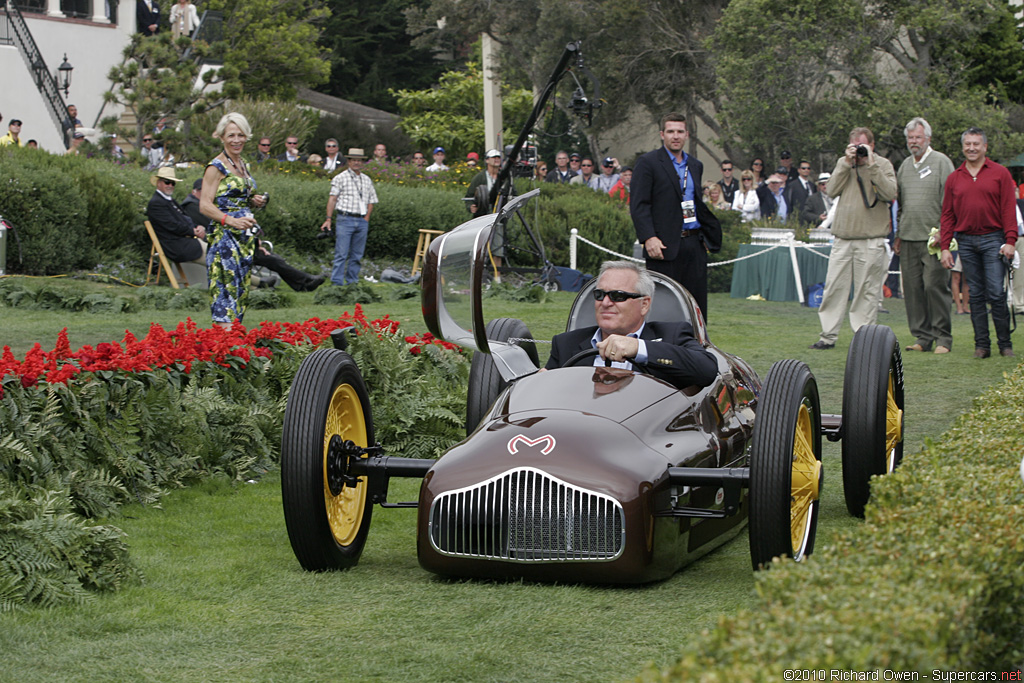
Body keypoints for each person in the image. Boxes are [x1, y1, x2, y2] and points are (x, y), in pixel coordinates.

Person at [543, 261, 717, 390]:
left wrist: (639, 348)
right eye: (599, 294)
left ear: (644, 305)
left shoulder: (672, 335)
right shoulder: (566, 343)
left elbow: (707, 370)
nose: (605, 303)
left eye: (617, 296)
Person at [809, 127, 897, 350]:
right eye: (854, 145)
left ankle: (863, 338)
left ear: (872, 145)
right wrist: (845, 163)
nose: (858, 150)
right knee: (833, 288)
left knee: (866, 291)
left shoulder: (882, 165)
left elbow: (889, 193)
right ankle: (827, 335)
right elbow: (831, 190)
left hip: (871, 238)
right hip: (843, 238)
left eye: (862, 145)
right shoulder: (844, 163)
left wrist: (870, 164)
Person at [630, 112, 723, 320]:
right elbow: (639, 204)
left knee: (695, 306)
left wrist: (707, 236)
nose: (675, 136)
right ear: (662, 134)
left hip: (693, 244)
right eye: (670, 131)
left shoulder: (695, 165)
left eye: (680, 131)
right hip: (662, 247)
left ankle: (696, 348)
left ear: (687, 135)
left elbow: (695, 203)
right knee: (663, 306)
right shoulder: (648, 162)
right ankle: (660, 348)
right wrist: (648, 237)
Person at [939, 127, 1018, 358]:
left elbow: (1008, 210)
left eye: (976, 144)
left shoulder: (1000, 173)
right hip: (965, 241)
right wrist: (945, 246)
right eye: (968, 144)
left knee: (995, 292)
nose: (971, 148)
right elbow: (947, 215)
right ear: (963, 147)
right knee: (975, 294)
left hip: (993, 238)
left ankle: (1005, 345)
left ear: (985, 147)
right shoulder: (954, 178)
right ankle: (982, 346)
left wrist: (1010, 240)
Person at [185, 179, 324, 292]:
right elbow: (222, 226)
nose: (209, 194)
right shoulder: (194, 206)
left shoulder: (204, 206)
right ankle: (303, 281)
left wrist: (253, 240)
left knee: (271, 258)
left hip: (233, 243)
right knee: (271, 259)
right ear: (195, 191)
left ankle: (302, 283)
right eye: (204, 191)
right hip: (223, 247)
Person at [895, 117, 956, 355]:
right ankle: (922, 336)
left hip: (934, 237)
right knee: (913, 289)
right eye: (910, 138)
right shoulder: (904, 166)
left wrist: (944, 231)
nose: (914, 142)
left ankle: (943, 338)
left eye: (918, 137)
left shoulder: (941, 162)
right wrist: (898, 233)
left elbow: (950, 201)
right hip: (908, 237)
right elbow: (901, 205)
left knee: (935, 286)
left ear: (928, 138)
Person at [199, 112, 265, 328]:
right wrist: (231, 221)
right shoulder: (215, 167)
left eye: (241, 135)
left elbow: (235, 196)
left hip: (244, 239)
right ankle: (223, 346)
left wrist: (253, 201)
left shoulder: (243, 164)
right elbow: (205, 205)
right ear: (221, 137)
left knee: (239, 292)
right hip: (224, 239)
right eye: (231, 135)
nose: (236, 140)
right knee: (225, 293)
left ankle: (234, 344)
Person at [320, 147, 378, 286]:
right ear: (349, 162)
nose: (356, 163)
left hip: (362, 219)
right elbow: (332, 199)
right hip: (345, 218)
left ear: (362, 162)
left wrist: (367, 218)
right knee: (341, 254)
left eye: (359, 160)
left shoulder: (366, 179)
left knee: (357, 255)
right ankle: (337, 283)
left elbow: (372, 200)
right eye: (354, 160)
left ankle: (352, 282)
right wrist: (328, 219)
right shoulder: (340, 178)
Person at [147, 167, 206, 265]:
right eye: (167, 182)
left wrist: (198, 227)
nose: (170, 185)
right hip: (178, 246)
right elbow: (172, 225)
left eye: (172, 183)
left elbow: (185, 218)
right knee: (217, 257)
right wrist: (193, 231)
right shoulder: (156, 203)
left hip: (187, 241)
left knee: (221, 251)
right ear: (158, 183)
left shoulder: (168, 200)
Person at [465, 149, 502, 216]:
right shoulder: (479, 178)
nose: (496, 159)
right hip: (482, 216)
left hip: (500, 215)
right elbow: (469, 196)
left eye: (498, 157)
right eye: (494, 157)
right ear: (487, 160)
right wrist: (470, 206)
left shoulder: (504, 178)